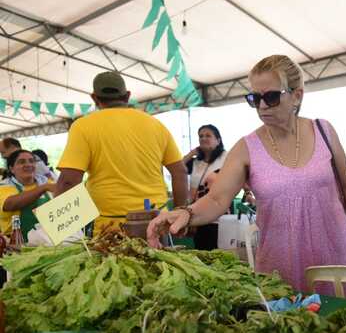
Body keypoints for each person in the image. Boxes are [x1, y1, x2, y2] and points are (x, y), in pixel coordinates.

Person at [147, 55, 346, 293]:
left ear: (297, 95)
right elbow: (217, 198)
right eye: (255, 98)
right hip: (281, 270)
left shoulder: (323, 131)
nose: (262, 106)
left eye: (271, 97)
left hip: (338, 262)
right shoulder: (246, 148)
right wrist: (186, 213)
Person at [55, 71, 187, 235]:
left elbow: (68, 181)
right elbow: (180, 172)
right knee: (161, 260)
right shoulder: (155, 124)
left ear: (95, 98)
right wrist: (180, 214)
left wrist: (58, 229)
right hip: (157, 222)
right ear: (127, 96)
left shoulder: (83, 126)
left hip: (110, 227)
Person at [182, 124, 228, 250]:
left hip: (219, 214)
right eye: (201, 136)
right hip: (197, 213)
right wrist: (191, 154)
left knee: (218, 250)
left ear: (218, 140)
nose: (203, 138)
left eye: (208, 135)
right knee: (201, 250)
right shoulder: (196, 162)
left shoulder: (226, 158)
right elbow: (178, 169)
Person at [0, 150, 54, 241]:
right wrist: (43, 188)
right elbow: (10, 204)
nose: (28, 164)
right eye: (21, 162)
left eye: (31, 161)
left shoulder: (47, 182)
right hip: (17, 244)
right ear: (11, 168)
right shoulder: (4, 187)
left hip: (50, 241)